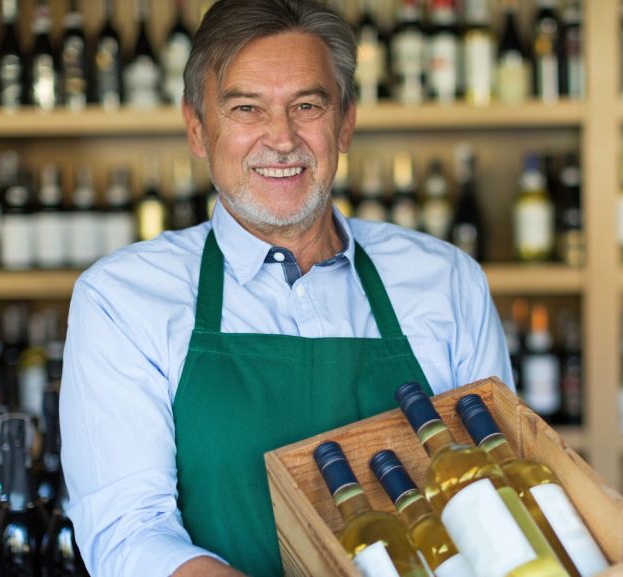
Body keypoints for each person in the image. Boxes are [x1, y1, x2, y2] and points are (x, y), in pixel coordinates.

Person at [59, 1, 512, 575]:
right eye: (247, 108)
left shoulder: (449, 282)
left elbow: (492, 489)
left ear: (344, 123)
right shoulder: (121, 299)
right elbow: (128, 534)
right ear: (197, 128)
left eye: (307, 106)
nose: (281, 138)